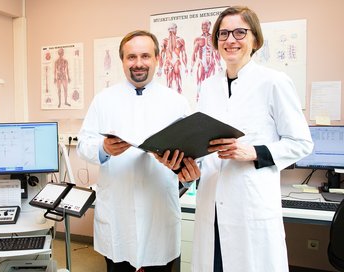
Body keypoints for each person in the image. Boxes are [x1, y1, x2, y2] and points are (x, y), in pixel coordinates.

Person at [182, 6, 313, 272]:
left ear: (255, 39)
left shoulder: (274, 82)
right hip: (211, 205)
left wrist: (253, 152)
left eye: (240, 32)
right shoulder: (208, 87)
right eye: (223, 34)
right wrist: (187, 164)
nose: (231, 40)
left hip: (251, 207)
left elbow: (301, 143)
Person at [76, 30, 200, 272]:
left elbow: (193, 155)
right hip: (117, 214)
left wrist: (181, 164)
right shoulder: (104, 100)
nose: (138, 63)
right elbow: (83, 144)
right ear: (122, 60)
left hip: (159, 212)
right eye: (131, 57)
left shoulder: (176, 102)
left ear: (157, 58)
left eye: (145, 56)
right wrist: (104, 148)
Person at [190, 19, 222, 99]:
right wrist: (191, 66)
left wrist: (219, 65)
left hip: (211, 63)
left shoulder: (213, 39)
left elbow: (216, 52)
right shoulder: (198, 39)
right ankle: (199, 96)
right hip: (201, 63)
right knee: (200, 80)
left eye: (206, 25)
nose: (204, 27)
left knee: (210, 81)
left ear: (209, 26)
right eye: (203, 26)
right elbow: (194, 53)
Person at [157, 23, 188, 94]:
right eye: (169, 29)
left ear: (176, 29)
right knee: (168, 84)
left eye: (172, 28)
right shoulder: (165, 41)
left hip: (177, 62)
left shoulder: (180, 40)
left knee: (179, 84)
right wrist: (160, 68)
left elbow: (183, 54)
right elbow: (162, 55)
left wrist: (186, 66)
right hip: (168, 62)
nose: (170, 30)